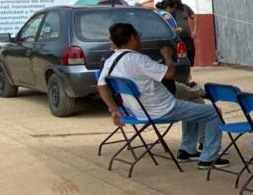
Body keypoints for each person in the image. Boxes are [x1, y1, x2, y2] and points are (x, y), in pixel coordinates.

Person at [96, 22, 227, 169]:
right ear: (132, 37)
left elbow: (101, 86)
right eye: (139, 35)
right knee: (213, 112)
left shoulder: (111, 61)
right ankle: (209, 158)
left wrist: (113, 109)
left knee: (191, 105)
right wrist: (167, 56)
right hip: (162, 108)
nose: (140, 38)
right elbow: (170, 74)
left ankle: (187, 150)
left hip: (139, 110)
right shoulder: (138, 60)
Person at [157, 0, 198, 66]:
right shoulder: (166, 10)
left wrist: (194, 31)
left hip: (187, 37)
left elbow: (194, 17)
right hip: (174, 38)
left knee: (190, 55)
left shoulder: (185, 7)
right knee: (177, 58)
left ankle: (190, 70)